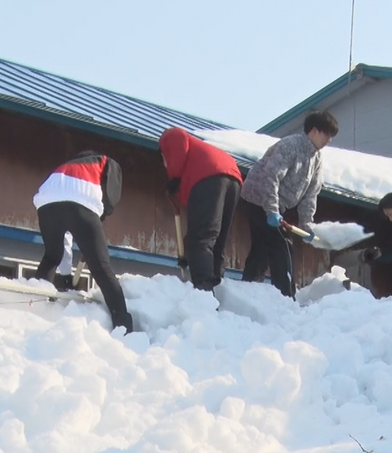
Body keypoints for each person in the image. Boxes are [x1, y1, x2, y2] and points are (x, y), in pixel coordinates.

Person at [238, 111, 339, 297]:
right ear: (315, 131)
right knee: (281, 245)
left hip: (276, 206)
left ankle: (247, 290)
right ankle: (286, 297)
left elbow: (311, 194)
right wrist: (272, 210)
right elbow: (270, 177)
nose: (330, 140)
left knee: (262, 248)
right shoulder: (290, 146)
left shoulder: (316, 158)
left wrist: (307, 224)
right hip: (257, 198)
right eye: (328, 134)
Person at [31, 151, 133, 333]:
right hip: (81, 202)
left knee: (52, 256)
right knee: (102, 269)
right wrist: (98, 225)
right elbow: (111, 196)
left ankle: (33, 308)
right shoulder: (106, 161)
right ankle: (123, 326)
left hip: (46, 202)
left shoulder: (69, 166)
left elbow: (65, 239)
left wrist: (66, 277)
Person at [158, 127, 243, 291]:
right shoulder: (195, 157)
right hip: (233, 176)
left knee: (201, 240)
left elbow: (178, 136)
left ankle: (204, 291)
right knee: (215, 241)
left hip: (209, 173)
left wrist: (174, 176)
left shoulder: (168, 138)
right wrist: (189, 253)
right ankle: (217, 289)